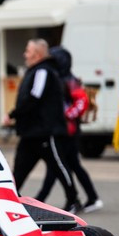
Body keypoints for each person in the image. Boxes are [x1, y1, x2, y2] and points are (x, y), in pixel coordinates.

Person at [2, 38, 80, 213]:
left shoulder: (43, 71)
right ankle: (9, 202)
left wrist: (13, 114)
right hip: (30, 133)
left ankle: (73, 200)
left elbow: (34, 97)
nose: (25, 54)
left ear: (37, 54)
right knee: (19, 170)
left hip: (45, 132)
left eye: (28, 51)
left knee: (59, 166)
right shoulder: (35, 71)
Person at [35, 47, 103, 213]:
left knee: (57, 166)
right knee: (69, 165)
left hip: (67, 131)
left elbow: (82, 101)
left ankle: (43, 200)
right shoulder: (60, 77)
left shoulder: (67, 79)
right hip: (65, 130)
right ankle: (91, 198)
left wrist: (66, 116)